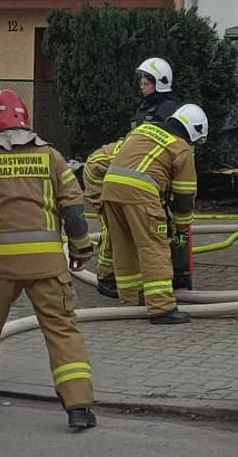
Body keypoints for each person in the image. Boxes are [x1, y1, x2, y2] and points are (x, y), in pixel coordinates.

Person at [0, 90, 99, 431]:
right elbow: (74, 211)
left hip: (0, 267)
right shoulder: (52, 158)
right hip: (48, 265)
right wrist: (81, 250)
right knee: (62, 331)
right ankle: (79, 406)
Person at [99, 104, 207, 325]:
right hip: (140, 194)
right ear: (194, 131)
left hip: (110, 190)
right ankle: (161, 307)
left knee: (123, 247)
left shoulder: (142, 130)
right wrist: (181, 228)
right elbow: (184, 195)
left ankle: (130, 300)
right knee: (154, 248)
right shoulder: (181, 148)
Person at [82, 137, 125, 298]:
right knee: (113, 224)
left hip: (113, 171)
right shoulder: (136, 152)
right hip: (99, 173)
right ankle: (106, 276)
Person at [128, 57, 181, 128]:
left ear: (159, 84)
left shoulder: (168, 108)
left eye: (146, 84)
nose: (142, 87)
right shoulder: (143, 106)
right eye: (141, 84)